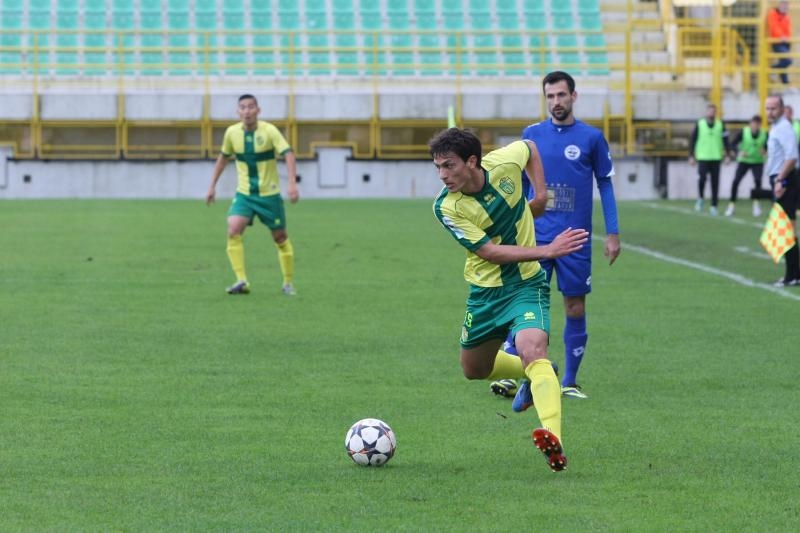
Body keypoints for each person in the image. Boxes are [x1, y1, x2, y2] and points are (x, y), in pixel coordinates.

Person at [431, 127, 589, 471]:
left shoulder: (502, 163)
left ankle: (554, 439)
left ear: (472, 162)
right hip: (485, 294)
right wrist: (546, 249)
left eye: (449, 166)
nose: (443, 175)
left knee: (534, 348)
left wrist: (541, 196)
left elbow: (530, 147)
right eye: (438, 167)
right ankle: (536, 374)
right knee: (474, 370)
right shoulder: (447, 207)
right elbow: (488, 251)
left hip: (527, 285)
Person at [490, 70, 619, 403]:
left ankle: (570, 380)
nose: (556, 102)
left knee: (574, 305)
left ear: (573, 97)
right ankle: (513, 372)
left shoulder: (591, 138)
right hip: (536, 240)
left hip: (575, 240)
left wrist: (613, 233)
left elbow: (604, 184)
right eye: (550, 96)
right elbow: (517, 183)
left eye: (561, 95)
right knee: (527, 306)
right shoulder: (531, 136)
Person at [206, 94, 299, 295]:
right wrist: (212, 185)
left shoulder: (269, 131)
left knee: (280, 237)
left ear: (258, 110)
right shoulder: (232, 133)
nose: (247, 111)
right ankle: (241, 281)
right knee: (233, 229)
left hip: (269, 195)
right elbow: (223, 158)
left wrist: (292, 184)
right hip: (245, 194)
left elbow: (288, 154)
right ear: (238, 112)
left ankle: (288, 283)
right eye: (243, 107)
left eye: (250, 107)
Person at [764, 95, 800, 286]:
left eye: (773, 108)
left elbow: (792, 157)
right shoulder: (777, 127)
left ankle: (792, 276)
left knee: (786, 230)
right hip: (782, 179)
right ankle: (795, 274)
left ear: (781, 108)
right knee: (786, 230)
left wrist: (780, 180)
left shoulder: (784, 128)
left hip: (784, 180)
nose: (770, 112)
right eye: (767, 108)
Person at [688, 103, 733, 216]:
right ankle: (701, 199)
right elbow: (693, 140)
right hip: (703, 157)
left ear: (716, 112)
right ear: (706, 112)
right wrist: (691, 156)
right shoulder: (700, 124)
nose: (711, 113)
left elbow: (726, 140)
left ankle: (714, 205)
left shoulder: (720, 124)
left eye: (714, 111)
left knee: (715, 183)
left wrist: (727, 155)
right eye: (710, 111)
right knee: (701, 179)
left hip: (716, 157)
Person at [724, 115, 767, 217]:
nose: (754, 126)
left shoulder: (764, 134)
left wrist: (765, 150)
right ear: (750, 124)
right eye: (753, 123)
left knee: (757, 181)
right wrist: (739, 151)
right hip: (744, 161)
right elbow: (732, 144)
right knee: (736, 181)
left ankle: (756, 204)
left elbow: (769, 145)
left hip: (757, 161)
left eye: (757, 124)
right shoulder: (744, 132)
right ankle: (731, 205)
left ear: (760, 125)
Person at [767, 1, 792, 86]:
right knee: (788, 60)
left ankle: (785, 83)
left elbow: (788, 30)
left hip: (785, 43)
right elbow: (773, 27)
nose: (785, 7)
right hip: (777, 42)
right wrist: (781, 36)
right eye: (783, 4)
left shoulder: (786, 17)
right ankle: (772, 69)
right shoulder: (773, 13)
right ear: (779, 5)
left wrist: (788, 40)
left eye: (786, 5)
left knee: (784, 63)